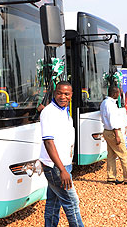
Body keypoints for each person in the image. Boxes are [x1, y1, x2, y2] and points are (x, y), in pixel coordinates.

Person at [39, 81, 84, 227]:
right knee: (72, 203)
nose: (62, 96)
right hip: (56, 167)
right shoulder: (49, 112)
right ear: (54, 93)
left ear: (71, 95)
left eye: (66, 94)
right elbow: (48, 142)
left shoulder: (64, 110)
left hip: (64, 164)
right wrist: (62, 170)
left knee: (53, 202)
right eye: (59, 93)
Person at [100, 86, 127, 185]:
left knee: (111, 156)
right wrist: (117, 135)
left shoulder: (104, 103)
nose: (119, 95)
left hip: (107, 131)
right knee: (124, 155)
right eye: (118, 93)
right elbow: (113, 121)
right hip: (114, 132)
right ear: (114, 94)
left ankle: (111, 178)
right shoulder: (110, 104)